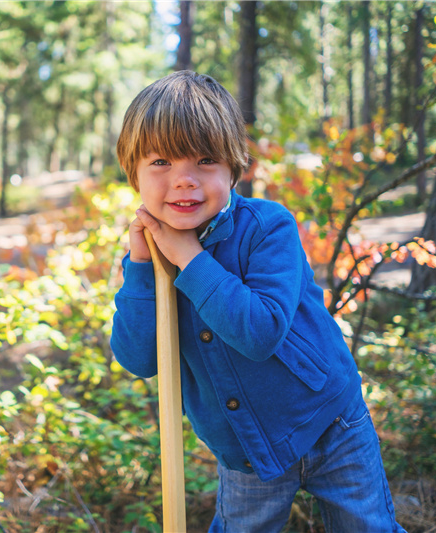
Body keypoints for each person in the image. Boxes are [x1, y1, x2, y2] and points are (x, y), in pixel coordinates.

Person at [110, 70, 406, 532]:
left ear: (233, 167)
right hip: (246, 449)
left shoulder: (267, 228)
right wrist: (143, 267)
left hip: (328, 421)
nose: (184, 180)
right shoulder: (149, 255)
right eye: (161, 162)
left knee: (366, 526)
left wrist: (189, 257)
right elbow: (139, 359)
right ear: (133, 173)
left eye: (205, 160)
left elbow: (260, 331)